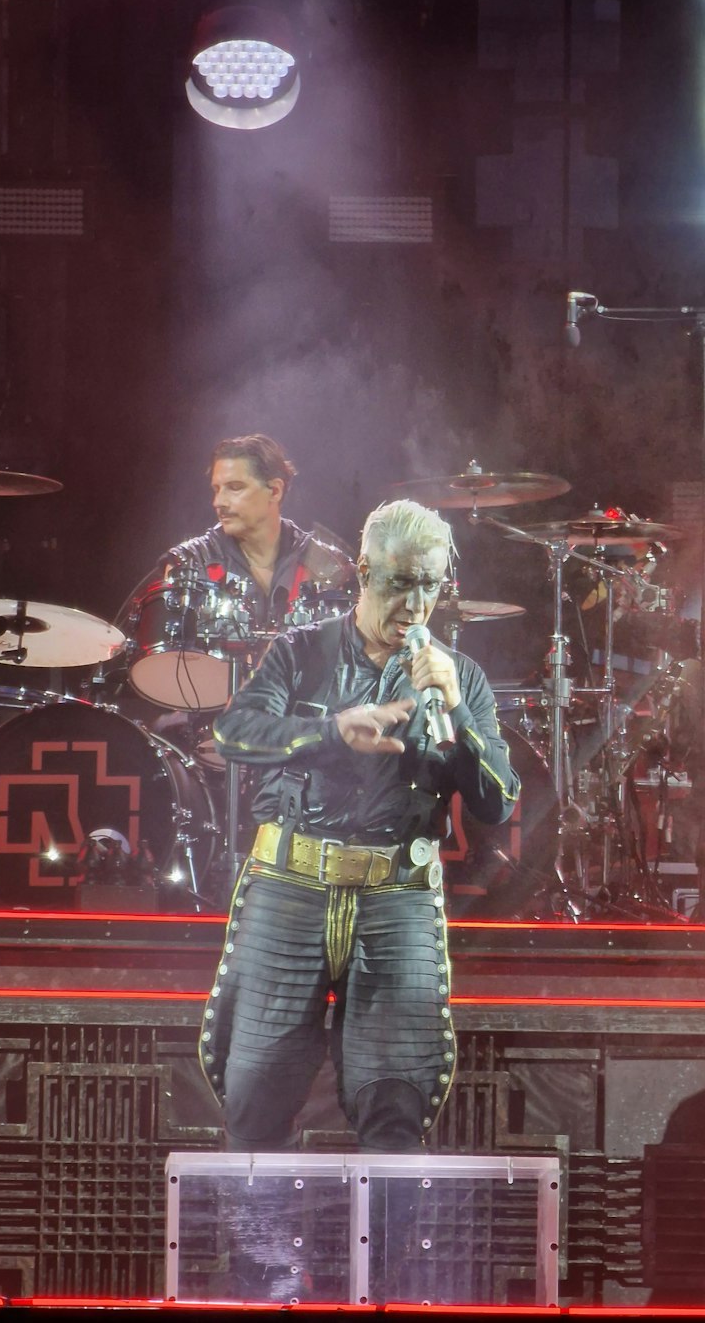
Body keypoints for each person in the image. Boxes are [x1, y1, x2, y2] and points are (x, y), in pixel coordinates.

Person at [197, 498, 521, 1152]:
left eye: (431, 584)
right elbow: (234, 732)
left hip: (396, 895)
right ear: (366, 571)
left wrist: (455, 712)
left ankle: (389, 1257)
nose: (417, 602)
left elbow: (499, 804)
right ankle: (262, 1257)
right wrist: (331, 731)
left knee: (396, 1108)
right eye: (402, 582)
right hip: (291, 884)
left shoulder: (464, 678)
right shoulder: (300, 653)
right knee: (254, 1097)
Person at [163, 432, 352, 632]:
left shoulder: (329, 567)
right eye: (217, 489)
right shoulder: (189, 563)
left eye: (235, 488)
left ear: (274, 491)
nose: (218, 502)